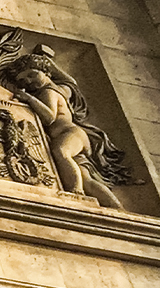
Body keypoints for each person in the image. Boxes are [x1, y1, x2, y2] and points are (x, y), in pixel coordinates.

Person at [9, 47, 124, 208]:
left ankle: (76, 192)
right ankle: (116, 207)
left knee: (60, 152)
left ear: (46, 72)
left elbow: (49, 117)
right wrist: (52, 66)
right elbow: (71, 82)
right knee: (87, 180)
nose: (28, 82)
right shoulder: (62, 89)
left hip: (69, 134)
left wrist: (28, 98)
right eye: (22, 81)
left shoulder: (47, 93)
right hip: (75, 136)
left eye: (32, 74)